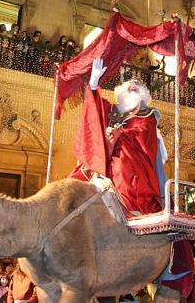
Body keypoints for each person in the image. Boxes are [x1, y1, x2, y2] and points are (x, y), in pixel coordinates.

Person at [69, 58, 166, 215]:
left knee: (121, 166)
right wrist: (93, 84)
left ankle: (130, 208)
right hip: (106, 152)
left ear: (141, 95)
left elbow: (143, 136)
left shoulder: (147, 114)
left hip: (131, 157)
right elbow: (97, 110)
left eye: (134, 90)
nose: (130, 92)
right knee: (80, 172)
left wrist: (118, 135)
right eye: (128, 89)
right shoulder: (114, 110)